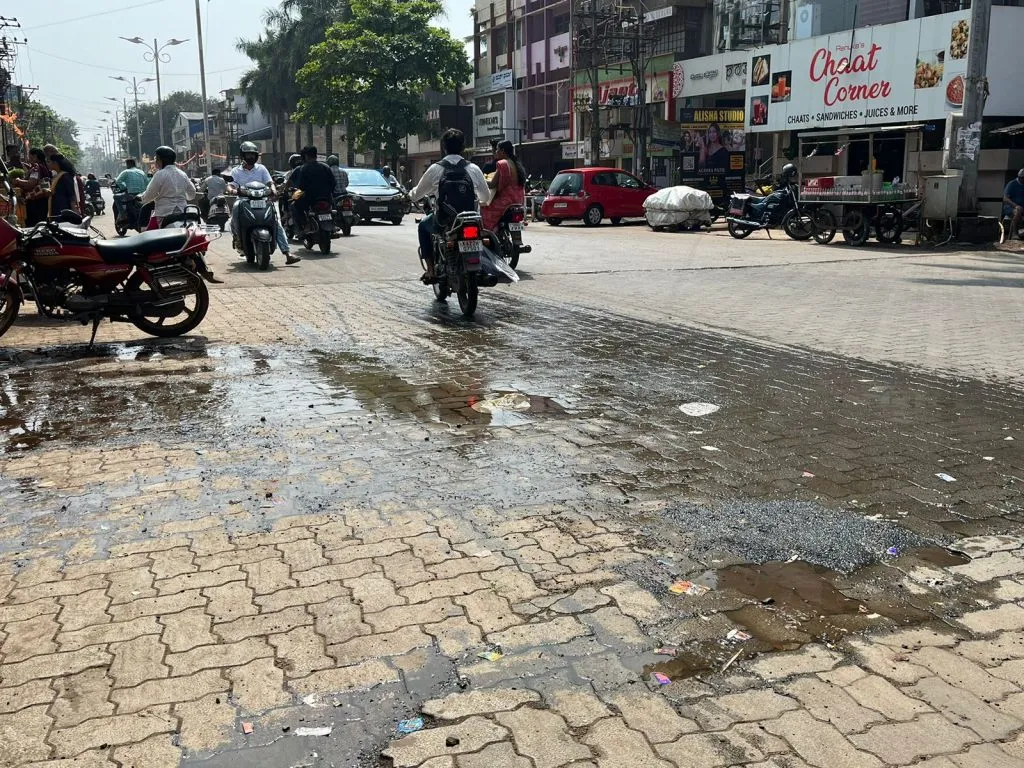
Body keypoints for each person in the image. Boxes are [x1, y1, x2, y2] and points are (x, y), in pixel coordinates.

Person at [409, 128, 490, 284]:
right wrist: (480, 202)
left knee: (423, 227)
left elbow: (418, 193)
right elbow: (485, 197)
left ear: (444, 147)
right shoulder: (473, 168)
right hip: (471, 220)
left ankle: (431, 270)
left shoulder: (436, 169)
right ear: (463, 147)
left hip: (445, 221)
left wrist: (408, 196)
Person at [227, 141, 295, 263]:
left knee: (276, 223)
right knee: (234, 214)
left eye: (253, 155)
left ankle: (287, 253)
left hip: (262, 199)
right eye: (248, 155)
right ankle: (238, 238)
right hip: (244, 200)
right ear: (243, 155)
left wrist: (273, 190)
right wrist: (232, 190)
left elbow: (270, 182)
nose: (251, 157)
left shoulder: (261, 168)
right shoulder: (236, 171)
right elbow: (230, 185)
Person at [140, 146, 196, 229]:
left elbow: (149, 195)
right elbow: (192, 194)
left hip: (165, 214)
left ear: (161, 160)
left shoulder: (160, 174)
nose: (155, 161)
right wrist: (181, 197)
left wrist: (142, 198)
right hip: (183, 212)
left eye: (156, 159)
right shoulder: (182, 174)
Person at [290, 145, 335, 240]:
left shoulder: (304, 168)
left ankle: (304, 226)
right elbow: (333, 183)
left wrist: (296, 195)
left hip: (310, 199)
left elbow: (301, 187)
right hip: (326, 198)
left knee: (294, 206)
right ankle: (333, 224)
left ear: (305, 156)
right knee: (333, 208)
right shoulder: (325, 167)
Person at [483, 139, 526, 232]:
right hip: (518, 200)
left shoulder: (502, 164)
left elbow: (492, 184)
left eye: (497, 150)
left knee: (484, 209)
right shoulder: (515, 163)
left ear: (502, 151)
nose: (496, 152)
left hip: (506, 201)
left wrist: (482, 180)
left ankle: (491, 232)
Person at [23, 148, 53, 226]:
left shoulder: (36, 167)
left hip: (35, 202)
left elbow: (31, 183)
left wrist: (18, 180)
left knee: (34, 225)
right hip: (44, 201)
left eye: (29, 156)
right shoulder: (45, 166)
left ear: (35, 156)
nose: (28, 159)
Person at [114, 158, 149, 223]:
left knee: (116, 197)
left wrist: (123, 188)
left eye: (127, 164)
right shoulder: (141, 172)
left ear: (129, 164)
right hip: (142, 195)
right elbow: (147, 183)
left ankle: (123, 215)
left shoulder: (126, 172)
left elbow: (118, 181)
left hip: (131, 195)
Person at [44, 153, 79, 218]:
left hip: (63, 209)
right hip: (55, 209)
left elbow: (71, 195)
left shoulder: (66, 176)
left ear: (55, 163)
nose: (47, 164)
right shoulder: (57, 176)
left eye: (49, 162)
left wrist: (74, 211)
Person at [1003, 168, 1024, 240]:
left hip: (1022, 207)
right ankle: (1014, 234)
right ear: (1020, 177)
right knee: (1018, 211)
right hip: (1011, 207)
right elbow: (1005, 199)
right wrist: (1016, 206)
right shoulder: (1012, 184)